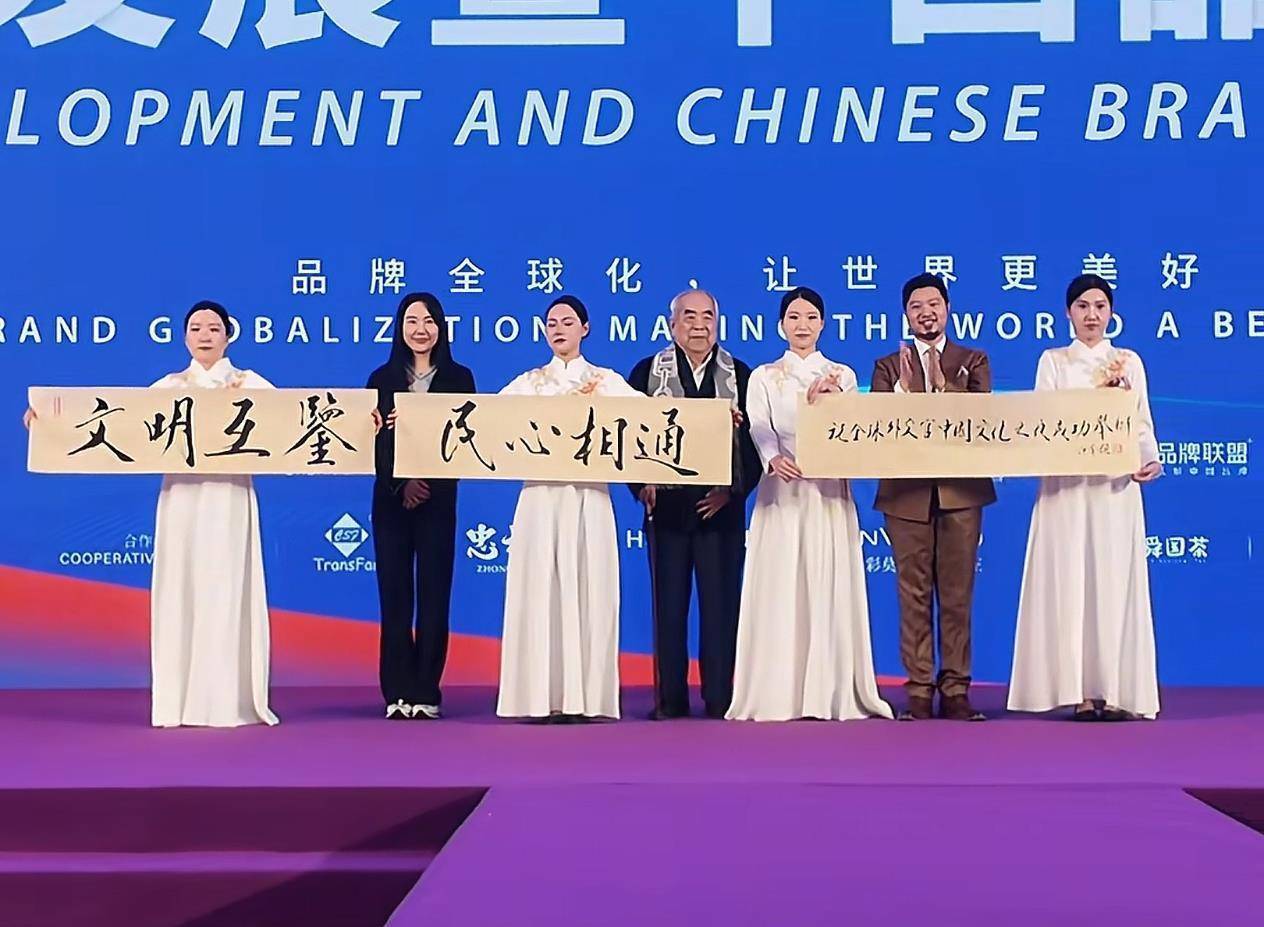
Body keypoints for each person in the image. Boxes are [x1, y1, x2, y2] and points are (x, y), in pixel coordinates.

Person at [21, 301, 279, 728]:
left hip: (230, 494)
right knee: (180, 586)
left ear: (228, 336)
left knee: (226, 585)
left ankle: (226, 701)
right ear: (185, 336)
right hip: (180, 496)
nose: (204, 335)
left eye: (213, 328)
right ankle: (178, 702)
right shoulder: (167, 387)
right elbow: (119, 427)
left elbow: (290, 426)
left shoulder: (251, 384)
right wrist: (49, 423)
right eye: (195, 328)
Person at [726, 287, 892, 722]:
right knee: (781, 585)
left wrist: (833, 402)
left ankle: (829, 690)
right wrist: (772, 458)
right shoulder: (764, 376)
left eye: (811, 317)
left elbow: (852, 431)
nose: (802, 325)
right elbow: (759, 425)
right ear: (781, 325)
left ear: (823, 324)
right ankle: (777, 690)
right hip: (782, 490)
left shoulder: (843, 374)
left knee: (826, 581)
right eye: (794, 317)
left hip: (828, 492)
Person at [1008, 275, 1163, 721]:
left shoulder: (1128, 361)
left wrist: (1149, 459)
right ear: (1068, 312)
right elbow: (1042, 421)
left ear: (1111, 312)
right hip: (1067, 489)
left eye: (1099, 306)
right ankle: (1078, 691)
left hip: (1114, 489)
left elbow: (1141, 421)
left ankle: (1115, 691)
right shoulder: (1053, 361)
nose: (1091, 315)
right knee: (1070, 581)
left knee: (1112, 582)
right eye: (1082, 306)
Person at [496, 295, 640, 722]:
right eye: (552, 323)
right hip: (540, 497)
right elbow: (487, 422)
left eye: (568, 321)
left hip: (589, 496)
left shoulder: (607, 382)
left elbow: (649, 420)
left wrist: (715, 421)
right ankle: (537, 697)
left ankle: (587, 698)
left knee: (590, 586)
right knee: (538, 588)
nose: (558, 328)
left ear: (585, 328)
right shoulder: (527, 384)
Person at [628, 289, 761, 720]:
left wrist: (732, 492)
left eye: (707, 316)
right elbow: (628, 435)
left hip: (719, 511)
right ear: (672, 325)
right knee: (668, 608)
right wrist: (640, 485)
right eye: (689, 316)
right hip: (667, 511)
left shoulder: (741, 375)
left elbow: (758, 445)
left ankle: (720, 697)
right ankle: (670, 699)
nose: (699, 325)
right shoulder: (647, 372)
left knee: (720, 608)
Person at [871, 273, 996, 722]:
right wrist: (904, 391)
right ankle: (920, 689)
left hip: (961, 492)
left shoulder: (973, 360)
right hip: (905, 495)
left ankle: (956, 688)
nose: (926, 313)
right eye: (916, 306)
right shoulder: (888, 366)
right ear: (906, 315)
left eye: (934, 304)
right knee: (913, 594)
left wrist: (943, 388)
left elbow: (979, 419)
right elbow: (880, 425)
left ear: (947, 309)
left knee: (958, 594)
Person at [367, 292, 476, 721]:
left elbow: (467, 439)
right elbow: (371, 442)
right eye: (412, 321)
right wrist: (402, 483)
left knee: (434, 596)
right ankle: (397, 691)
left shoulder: (460, 377)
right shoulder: (381, 378)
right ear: (400, 328)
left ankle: (426, 690)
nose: (420, 329)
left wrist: (427, 481)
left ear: (440, 327)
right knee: (394, 597)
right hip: (392, 501)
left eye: (429, 321)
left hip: (438, 499)